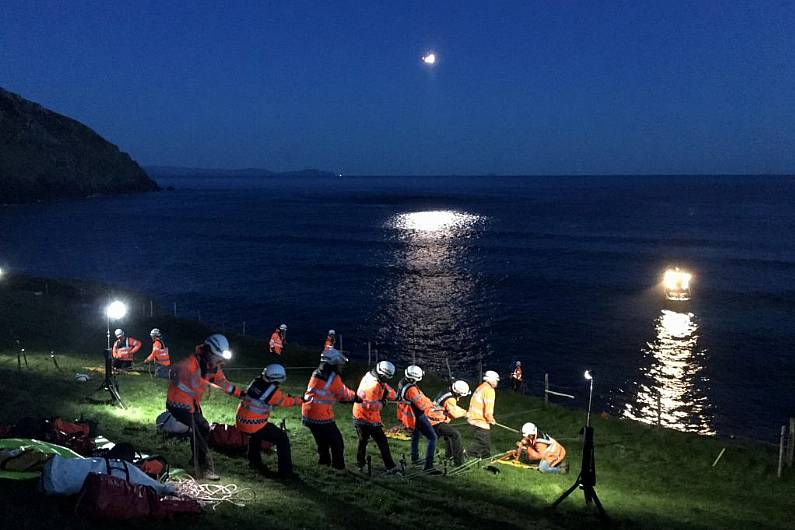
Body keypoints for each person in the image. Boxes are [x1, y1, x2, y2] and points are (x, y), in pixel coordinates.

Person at [166, 334, 241, 480]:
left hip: (191, 404)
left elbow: (222, 382)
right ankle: (203, 468)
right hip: (178, 404)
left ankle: (196, 462)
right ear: (208, 352)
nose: (221, 361)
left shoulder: (212, 366)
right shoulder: (190, 365)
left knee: (202, 428)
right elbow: (178, 379)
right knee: (201, 429)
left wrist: (241, 394)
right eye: (218, 357)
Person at [236, 364, 302, 479]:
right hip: (254, 424)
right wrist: (300, 400)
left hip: (241, 421)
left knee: (256, 436)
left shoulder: (256, 382)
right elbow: (284, 401)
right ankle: (285, 473)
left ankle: (254, 462)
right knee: (282, 439)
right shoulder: (272, 392)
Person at [302, 347, 359, 470]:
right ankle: (338, 467)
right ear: (333, 363)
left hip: (307, 413)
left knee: (321, 441)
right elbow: (344, 394)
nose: (341, 367)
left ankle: (324, 462)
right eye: (339, 364)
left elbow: (324, 392)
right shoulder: (333, 378)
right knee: (337, 442)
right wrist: (356, 397)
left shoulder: (317, 373)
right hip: (320, 415)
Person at [352, 360, 399, 474]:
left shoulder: (372, 376)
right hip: (364, 417)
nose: (387, 380)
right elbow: (371, 406)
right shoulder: (373, 386)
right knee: (374, 441)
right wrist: (383, 403)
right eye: (387, 377)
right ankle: (388, 466)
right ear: (382, 375)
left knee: (366, 441)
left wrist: (395, 396)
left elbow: (386, 388)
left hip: (363, 415)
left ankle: (362, 464)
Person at [397, 365, 440, 474]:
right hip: (417, 415)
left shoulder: (403, 382)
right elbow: (421, 405)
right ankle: (428, 467)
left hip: (410, 415)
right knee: (432, 437)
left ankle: (415, 459)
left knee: (415, 435)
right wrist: (431, 405)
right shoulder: (411, 389)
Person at [428, 380, 470, 467]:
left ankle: (449, 456)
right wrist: (466, 414)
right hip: (435, 421)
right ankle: (459, 463)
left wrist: (465, 411)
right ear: (458, 393)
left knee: (449, 435)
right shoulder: (450, 399)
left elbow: (453, 407)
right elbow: (454, 413)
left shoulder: (447, 392)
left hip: (433, 419)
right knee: (455, 435)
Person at [467, 370, 500, 458]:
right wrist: (491, 419)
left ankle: (486, 457)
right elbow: (488, 409)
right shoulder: (490, 391)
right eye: (496, 380)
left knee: (485, 441)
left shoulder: (481, 387)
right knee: (482, 441)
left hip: (473, 417)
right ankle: (468, 454)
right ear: (491, 380)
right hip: (480, 420)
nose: (497, 382)